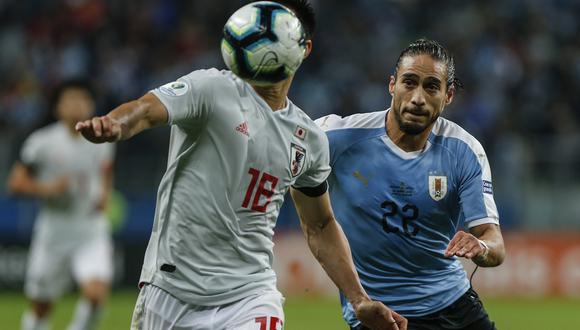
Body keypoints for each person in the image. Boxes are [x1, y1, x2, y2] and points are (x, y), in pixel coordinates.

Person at [75, 1, 407, 329]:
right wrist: (116, 124)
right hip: (171, 290)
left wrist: (359, 298)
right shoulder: (212, 88)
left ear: (304, 47)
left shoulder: (309, 139)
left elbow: (320, 226)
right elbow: (145, 109)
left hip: (250, 295)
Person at [316, 38, 506, 330]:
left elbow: (495, 244)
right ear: (392, 85)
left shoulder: (464, 150)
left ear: (448, 95)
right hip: (378, 315)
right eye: (409, 82)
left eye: (431, 86)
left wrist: (480, 245)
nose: (418, 97)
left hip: (453, 308)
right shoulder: (337, 138)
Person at [7, 79, 115, 330]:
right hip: (54, 230)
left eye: (82, 99)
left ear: (90, 104)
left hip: (90, 229)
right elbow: (15, 183)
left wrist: (105, 195)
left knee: (96, 295)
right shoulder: (41, 143)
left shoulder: (103, 138)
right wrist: (49, 188)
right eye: (70, 99)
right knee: (42, 306)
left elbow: (107, 170)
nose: (77, 104)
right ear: (58, 107)